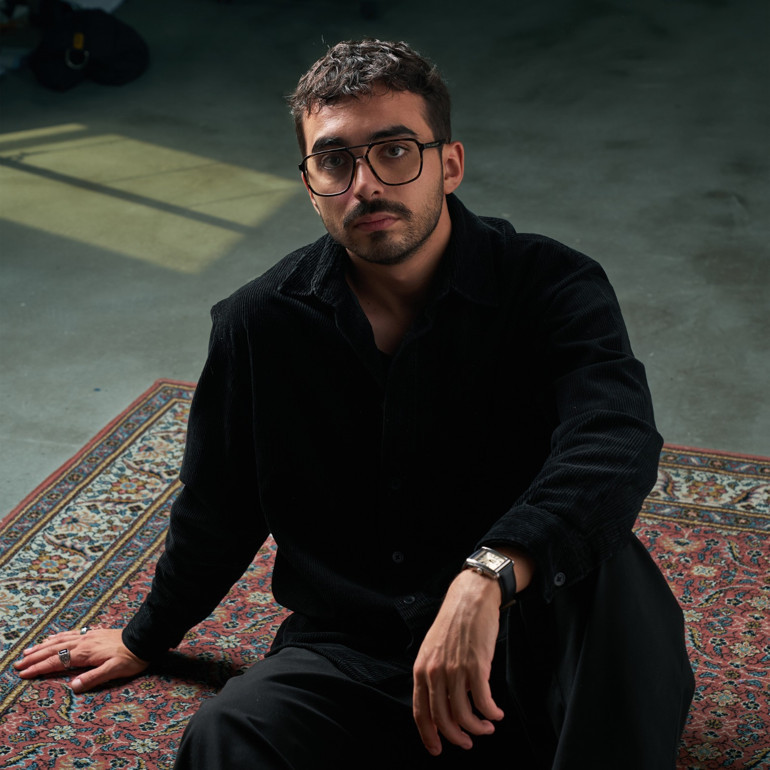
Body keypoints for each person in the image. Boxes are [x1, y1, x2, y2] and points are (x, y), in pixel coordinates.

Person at [16, 39, 694, 769]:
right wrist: (144, 636)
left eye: (395, 151)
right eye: (335, 161)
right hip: (358, 651)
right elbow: (218, 507)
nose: (365, 184)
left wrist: (487, 576)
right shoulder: (256, 324)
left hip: (543, 633)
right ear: (310, 184)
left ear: (450, 164)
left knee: (605, 564)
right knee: (228, 732)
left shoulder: (551, 284)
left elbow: (613, 440)